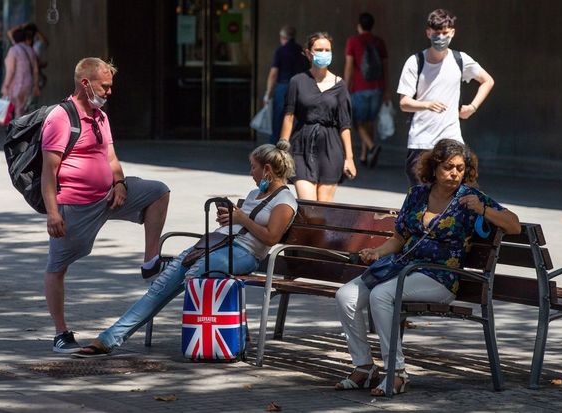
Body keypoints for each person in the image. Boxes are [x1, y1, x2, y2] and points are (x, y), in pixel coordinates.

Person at [72, 141, 298, 357]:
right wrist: (230, 219)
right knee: (161, 285)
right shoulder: (254, 194)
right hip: (215, 244)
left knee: (193, 275)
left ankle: (204, 336)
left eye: (253, 167)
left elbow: (271, 237)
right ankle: (109, 339)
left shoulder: (285, 200)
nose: (251, 172)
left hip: (243, 254)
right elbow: (242, 223)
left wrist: (241, 218)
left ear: (267, 169)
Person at [334, 139, 520, 396]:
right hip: (402, 269)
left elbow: (514, 225)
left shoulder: (470, 198)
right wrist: (377, 252)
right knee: (345, 296)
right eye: (448, 167)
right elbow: (399, 238)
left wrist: (483, 209)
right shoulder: (417, 194)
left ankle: (396, 372)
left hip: (441, 276)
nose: (454, 173)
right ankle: (364, 367)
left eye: (459, 168)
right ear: (434, 168)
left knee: (382, 295)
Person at [40, 57, 171, 353]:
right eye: (105, 86)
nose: (110, 91)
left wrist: (120, 183)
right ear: (85, 84)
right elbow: (49, 172)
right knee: (57, 267)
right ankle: (61, 334)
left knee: (158, 192)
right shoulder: (61, 118)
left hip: (108, 198)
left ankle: (150, 261)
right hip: (75, 206)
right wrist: (52, 213)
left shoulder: (101, 116)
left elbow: (111, 158)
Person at [397, 9, 495, 187]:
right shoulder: (415, 61)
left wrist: (472, 107)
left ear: (452, 33)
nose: (440, 37)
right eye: (436, 33)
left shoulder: (460, 60)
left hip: (452, 139)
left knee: (459, 194)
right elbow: (404, 103)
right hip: (422, 141)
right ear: (428, 32)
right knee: (422, 198)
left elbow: (487, 80)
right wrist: (426, 105)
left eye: (444, 33)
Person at [280, 32, 356, 202]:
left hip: (330, 148)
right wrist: (282, 150)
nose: (323, 53)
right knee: (308, 207)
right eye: (319, 49)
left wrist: (349, 158)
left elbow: (345, 124)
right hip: (301, 146)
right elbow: (289, 116)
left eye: (327, 49)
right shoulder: (297, 81)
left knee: (324, 211)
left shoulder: (340, 85)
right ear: (308, 53)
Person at [344, 12, 389, 168]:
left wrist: (345, 87)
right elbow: (385, 67)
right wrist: (386, 89)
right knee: (370, 122)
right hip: (377, 88)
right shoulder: (379, 42)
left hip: (359, 88)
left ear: (359, 26)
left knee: (357, 122)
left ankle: (371, 146)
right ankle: (365, 156)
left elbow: (349, 66)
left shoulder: (353, 41)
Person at [263, 25, 310, 145]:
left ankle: (275, 151)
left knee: (279, 121)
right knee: (297, 120)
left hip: (283, 88)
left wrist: (267, 94)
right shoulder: (302, 51)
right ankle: (294, 148)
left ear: (283, 37)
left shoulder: (280, 51)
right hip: (300, 88)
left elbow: (273, 74)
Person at [1, 28, 40, 118]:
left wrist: (6, 85)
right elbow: (35, 70)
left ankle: (17, 130)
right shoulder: (31, 50)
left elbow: (10, 71)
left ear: (14, 39)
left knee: (17, 110)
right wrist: (36, 85)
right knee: (23, 110)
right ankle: (22, 129)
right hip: (28, 85)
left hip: (16, 85)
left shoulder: (13, 50)